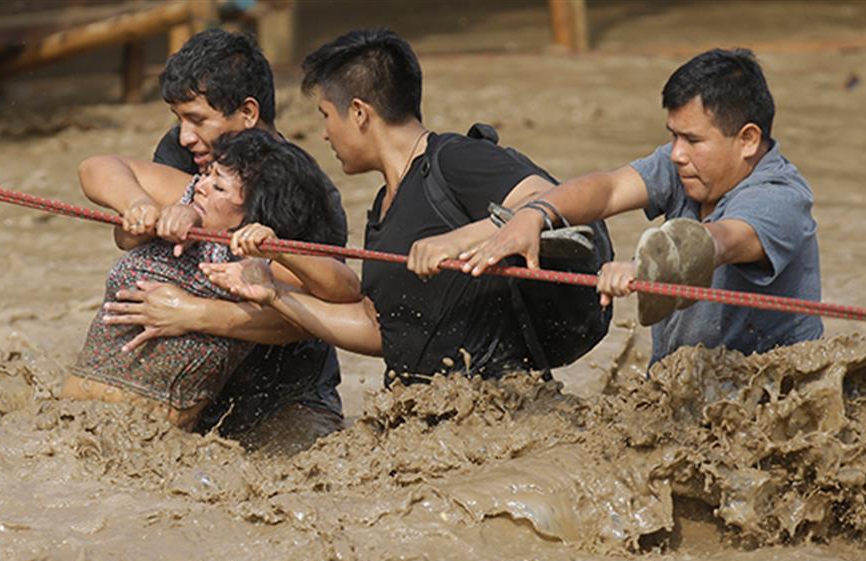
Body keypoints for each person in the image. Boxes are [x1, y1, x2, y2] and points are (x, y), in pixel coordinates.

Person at [205, 28, 590, 384]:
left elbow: (547, 197)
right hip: (430, 418)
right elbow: (377, 329)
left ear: (358, 113)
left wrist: (459, 239)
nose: (324, 133)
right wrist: (274, 293)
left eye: (325, 114)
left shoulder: (456, 159)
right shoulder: (385, 206)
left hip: (505, 410)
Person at [462, 48, 823, 365]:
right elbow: (608, 188)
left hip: (765, 399)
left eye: (693, 140)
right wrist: (533, 215)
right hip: (685, 385)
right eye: (673, 135)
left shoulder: (780, 197)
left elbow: (719, 241)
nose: (677, 153)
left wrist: (644, 265)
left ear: (747, 139)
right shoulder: (685, 166)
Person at [101, 29, 358, 452]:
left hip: (286, 398)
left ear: (248, 113)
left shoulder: (306, 190)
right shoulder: (190, 153)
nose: (184, 136)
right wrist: (138, 210)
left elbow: (313, 318)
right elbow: (115, 202)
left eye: (197, 120)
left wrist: (192, 313)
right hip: (199, 391)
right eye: (178, 119)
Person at [61, 129, 345, 432]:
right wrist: (138, 204)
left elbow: (340, 293)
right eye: (206, 174)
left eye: (219, 186)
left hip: (152, 442)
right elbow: (94, 167)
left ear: (250, 217)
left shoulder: (253, 260)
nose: (201, 186)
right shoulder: (186, 197)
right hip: (69, 419)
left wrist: (192, 313)